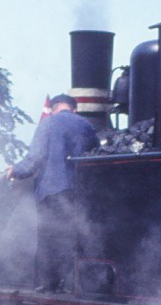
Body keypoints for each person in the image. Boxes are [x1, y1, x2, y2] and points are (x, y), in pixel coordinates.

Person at [6, 93, 98, 292]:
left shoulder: (48, 124)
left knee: (49, 239)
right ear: (74, 109)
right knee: (75, 238)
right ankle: (73, 285)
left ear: (54, 108)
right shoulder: (88, 126)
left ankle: (47, 286)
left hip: (53, 191)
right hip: (81, 195)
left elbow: (34, 159)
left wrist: (15, 170)